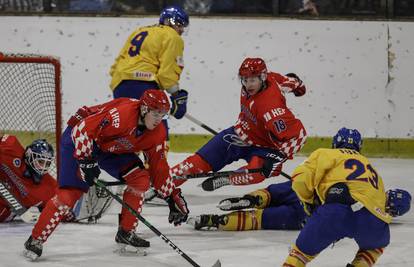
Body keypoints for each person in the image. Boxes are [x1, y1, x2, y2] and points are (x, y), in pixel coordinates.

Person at [23, 90, 189, 260]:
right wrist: (86, 160)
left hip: (111, 145)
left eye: (163, 114)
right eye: (156, 113)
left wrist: (170, 196)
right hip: (80, 139)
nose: (158, 119)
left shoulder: (157, 132)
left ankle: (126, 232)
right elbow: (82, 130)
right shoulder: (122, 116)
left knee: (140, 179)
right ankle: (36, 240)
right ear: (144, 109)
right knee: (70, 194)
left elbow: (159, 168)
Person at [170, 57, 307, 191]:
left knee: (257, 171)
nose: (248, 85)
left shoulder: (271, 109)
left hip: (265, 148)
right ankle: (162, 184)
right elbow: (289, 81)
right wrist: (299, 87)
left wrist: (278, 158)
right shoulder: (271, 78)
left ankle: (228, 179)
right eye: (245, 80)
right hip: (240, 134)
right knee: (197, 162)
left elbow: (299, 135)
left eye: (252, 80)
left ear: (262, 77)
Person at [282, 127, 412, 267]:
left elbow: (300, 179)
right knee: (374, 248)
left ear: (334, 143)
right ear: (359, 147)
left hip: (336, 212)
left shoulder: (325, 153)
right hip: (374, 221)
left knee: (300, 254)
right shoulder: (372, 168)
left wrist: (308, 202)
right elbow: (380, 202)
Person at [109, 5, 189, 121]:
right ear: (169, 22)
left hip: (120, 84)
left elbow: (115, 66)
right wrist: (177, 96)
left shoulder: (140, 31)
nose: (181, 30)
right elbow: (166, 74)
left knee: (125, 128)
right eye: (180, 25)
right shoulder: (173, 36)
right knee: (156, 130)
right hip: (145, 84)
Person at [191, 181, 306, 231]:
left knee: (271, 193)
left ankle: (253, 199)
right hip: (305, 211)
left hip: (300, 187)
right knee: (256, 219)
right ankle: (214, 221)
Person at [0, 135, 57, 223]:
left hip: (5, 207)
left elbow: (57, 209)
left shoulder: (50, 187)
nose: (43, 167)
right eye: (41, 162)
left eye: (47, 163)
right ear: (29, 156)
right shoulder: (10, 148)